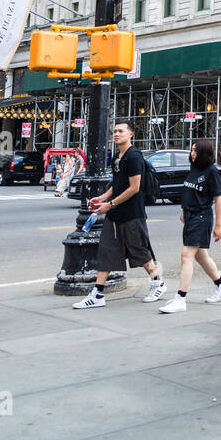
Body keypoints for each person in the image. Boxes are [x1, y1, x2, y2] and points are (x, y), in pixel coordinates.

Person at [73, 123, 167, 309]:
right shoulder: (117, 156)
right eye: (114, 131)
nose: (116, 134)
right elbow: (118, 184)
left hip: (132, 213)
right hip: (116, 213)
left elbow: (134, 187)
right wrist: (103, 197)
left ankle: (158, 283)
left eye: (120, 131)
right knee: (106, 250)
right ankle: (98, 293)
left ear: (130, 134)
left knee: (139, 251)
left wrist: (109, 205)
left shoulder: (134, 157)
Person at [159, 139, 221, 313]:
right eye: (191, 150)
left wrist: (218, 225)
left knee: (186, 255)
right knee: (201, 256)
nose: (192, 153)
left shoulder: (212, 171)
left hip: (202, 216)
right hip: (190, 216)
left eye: (195, 151)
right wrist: (183, 209)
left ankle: (180, 298)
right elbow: (189, 190)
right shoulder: (194, 168)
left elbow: (218, 199)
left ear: (204, 153)